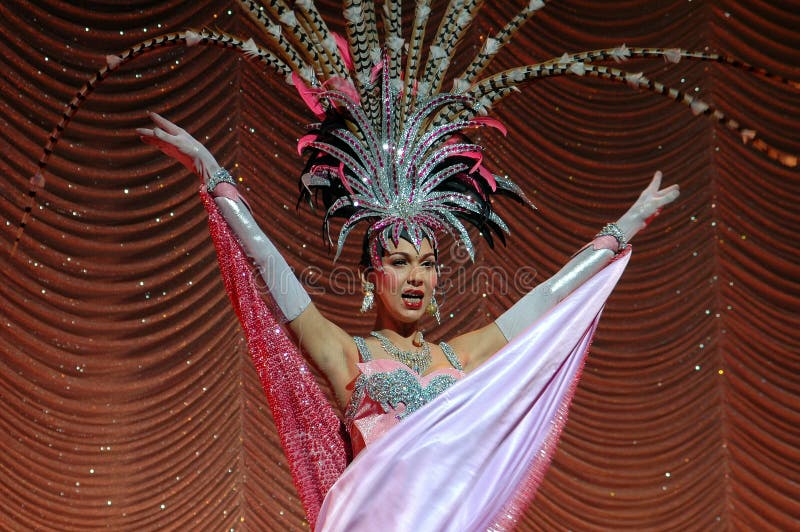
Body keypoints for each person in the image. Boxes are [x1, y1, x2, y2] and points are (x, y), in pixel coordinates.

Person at [137, 110, 679, 530]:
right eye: (399, 263)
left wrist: (619, 233)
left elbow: (544, 300)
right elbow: (272, 272)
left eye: (428, 263)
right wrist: (215, 175)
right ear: (374, 278)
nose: (416, 276)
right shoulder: (347, 355)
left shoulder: (461, 357)